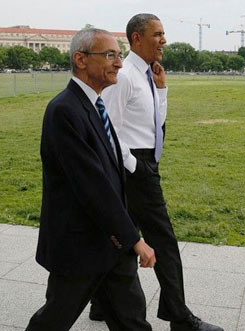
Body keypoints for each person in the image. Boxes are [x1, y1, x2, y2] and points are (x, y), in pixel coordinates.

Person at [96, 14, 223, 331]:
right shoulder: (125, 77)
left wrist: (162, 89)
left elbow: (154, 123)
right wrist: (136, 166)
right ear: (137, 39)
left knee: (117, 237)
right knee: (164, 242)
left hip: (143, 162)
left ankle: (100, 304)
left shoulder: (147, 75)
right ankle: (179, 317)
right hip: (133, 166)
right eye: (158, 34)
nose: (164, 40)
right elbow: (106, 130)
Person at [25, 28, 156, 331]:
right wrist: (135, 240)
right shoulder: (64, 111)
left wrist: (126, 235)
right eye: (110, 55)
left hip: (111, 243)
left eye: (119, 55)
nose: (119, 64)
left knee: (132, 321)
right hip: (79, 245)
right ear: (80, 60)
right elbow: (92, 185)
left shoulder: (95, 105)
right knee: (54, 320)